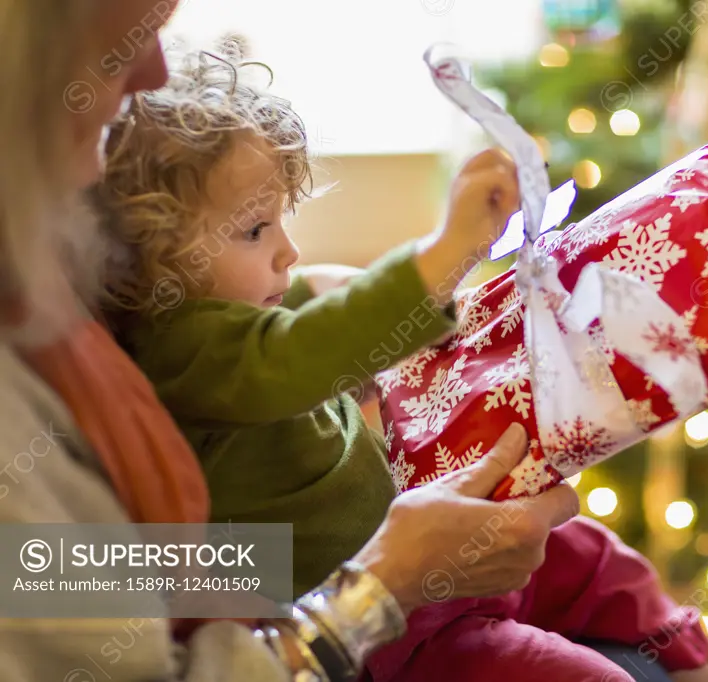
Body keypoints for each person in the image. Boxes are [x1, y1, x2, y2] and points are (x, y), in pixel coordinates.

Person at [95, 47, 708, 682]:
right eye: (254, 230)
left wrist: (332, 287)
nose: (287, 251)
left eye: (280, 221)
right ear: (151, 254)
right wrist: (445, 252)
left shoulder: (222, 323)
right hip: (398, 634)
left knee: (597, 560)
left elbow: (306, 314)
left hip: (428, 527)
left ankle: (693, 662)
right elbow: (295, 354)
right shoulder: (179, 351)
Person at [0, 1, 580, 680]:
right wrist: (378, 582)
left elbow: (136, 567)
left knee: (586, 561)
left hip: (329, 581)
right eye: (107, 27)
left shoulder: (51, 276)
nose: (150, 67)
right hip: (343, 623)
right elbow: (96, 601)